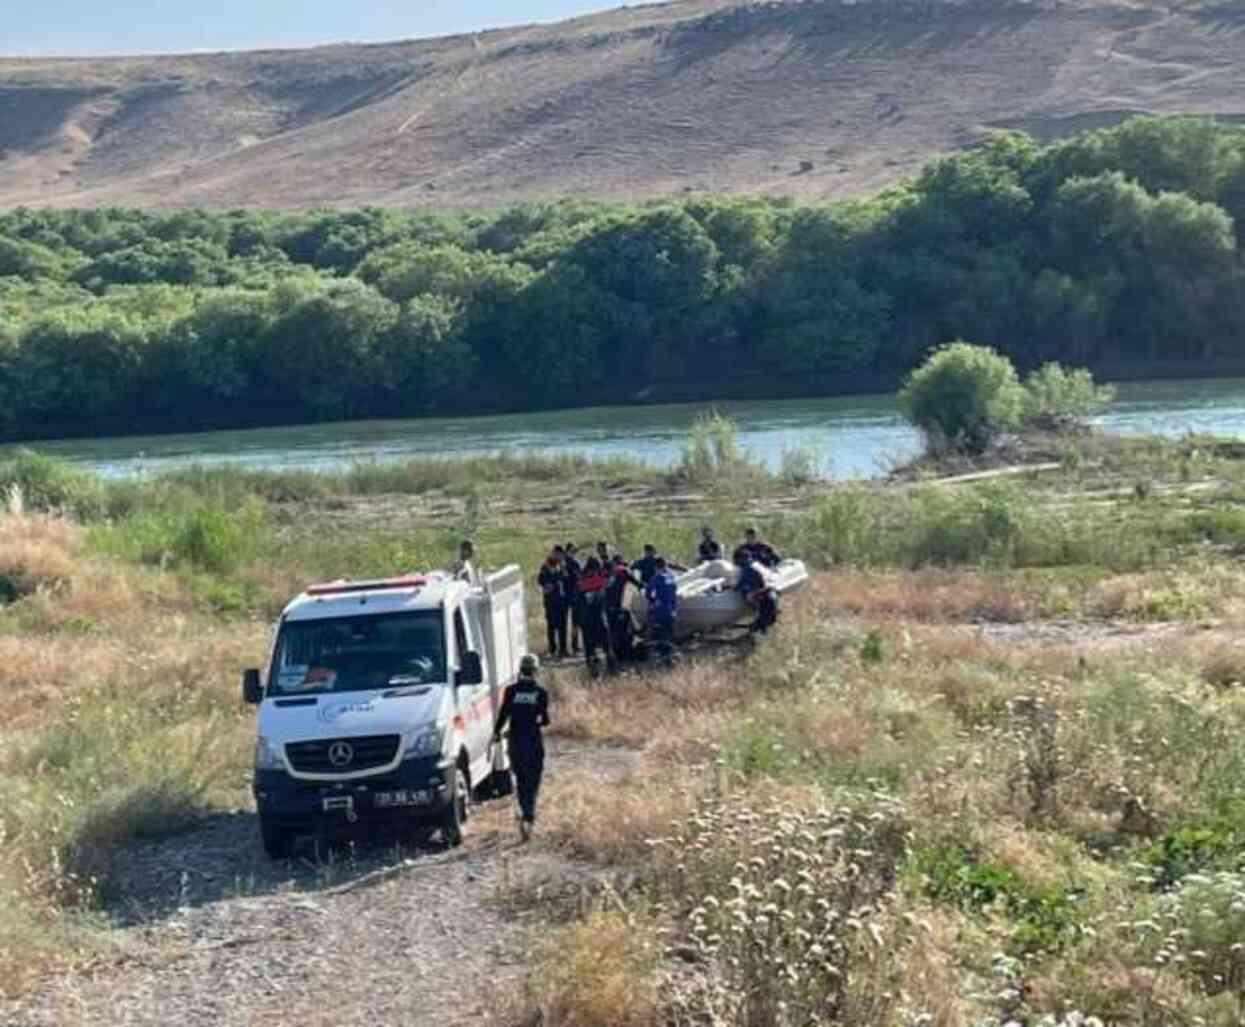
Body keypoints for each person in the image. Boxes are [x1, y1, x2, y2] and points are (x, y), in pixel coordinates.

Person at [493, 654, 550, 841]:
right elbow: (545, 720)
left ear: (520, 669)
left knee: (520, 777)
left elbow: (503, 715)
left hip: (516, 742)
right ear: (536, 670)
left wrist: (496, 733)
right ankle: (529, 814)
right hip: (533, 742)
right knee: (533, 778)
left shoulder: (510, 691)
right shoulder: (541, 693)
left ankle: (525, 812)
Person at [577, 556, 612, 671]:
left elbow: (577, 601)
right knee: (606, 644)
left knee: (589, 646)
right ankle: (610, 664)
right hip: (598, 618)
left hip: (586, 619)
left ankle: (591, 666)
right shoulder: (600, 580)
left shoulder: (581, 581)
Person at [734, 546, 778, 634]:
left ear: (741, 559)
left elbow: (742, 584)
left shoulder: (748, 569)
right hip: (772, 595)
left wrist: (735, 588)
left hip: (764, 597)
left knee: (762, 622)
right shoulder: (757, 565)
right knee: (767, 620)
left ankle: (755, 636)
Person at [644, 556, 679, 664]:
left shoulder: (656, 578)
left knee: (659, 636)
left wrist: (654, 601)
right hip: (672, 610)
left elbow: (648, 593)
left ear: (656, 567)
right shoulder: (672, 577)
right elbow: (674, 593)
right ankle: (671, 658)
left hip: (660, 611)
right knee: (669, 635)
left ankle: (663, 659)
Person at [537, 548, 569, 658]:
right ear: (554, 554)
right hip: (551, 601)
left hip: (562, 600)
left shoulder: (561, 565)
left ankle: (563, 649)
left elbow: (565, 577)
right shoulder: (546, 566)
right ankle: (552, 648)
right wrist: (550, 584)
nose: (560, 558)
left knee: (563, 626)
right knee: (552, 625)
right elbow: (541, 581)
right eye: (559, 555)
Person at [563, 543, 583, 655]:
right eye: (573, 551)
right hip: (573, 596)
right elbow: (579, 578)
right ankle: (573, 646)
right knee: (574, 622)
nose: (574, 553)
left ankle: (572, 646)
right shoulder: (573, 563)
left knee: (573, 622)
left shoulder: (564, 563)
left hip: (567, 596)